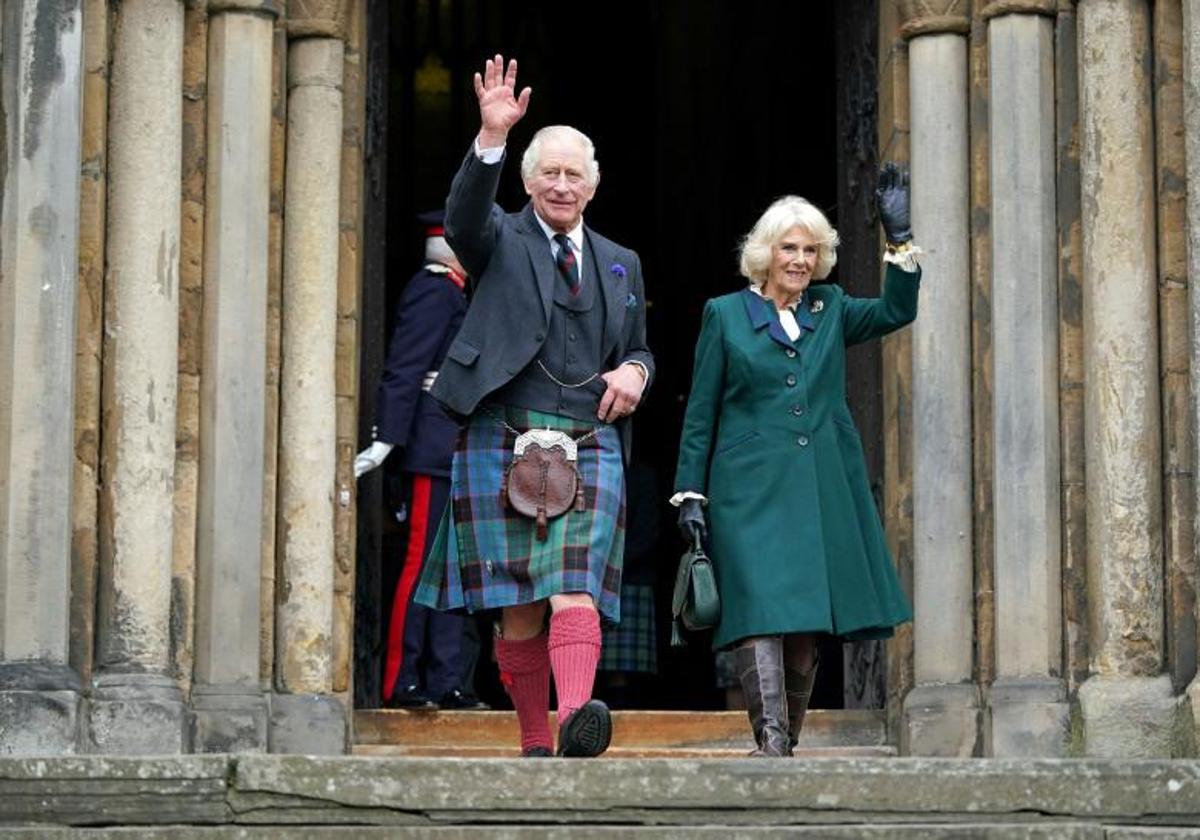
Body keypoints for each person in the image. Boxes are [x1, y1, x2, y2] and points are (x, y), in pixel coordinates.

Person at [413, 55, 654, 758]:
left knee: (574, 585)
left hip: (591, 437)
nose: (561, 183)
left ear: (593, 185)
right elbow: (462, 215)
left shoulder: (621, 261)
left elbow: (640, 346)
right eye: (548, 171)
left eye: (573, 173)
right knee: (519, 608)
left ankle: (576, 717)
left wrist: (638, 371)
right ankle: (533, 739)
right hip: (504, 430)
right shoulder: (499, 238)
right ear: (527, 181)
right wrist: (491, 135)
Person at [672, 165, 920, 757]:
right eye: (790, 247)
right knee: (758, 611)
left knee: (805, 622)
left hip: (817, 489)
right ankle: (771, 743)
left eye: (811, 250)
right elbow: (702, 410)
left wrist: (901, 239)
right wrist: (690, 493)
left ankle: (787, 746)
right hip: (747, 493)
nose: (801, 260)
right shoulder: (725, 314)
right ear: (766, 252)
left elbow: (895, 312)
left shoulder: (830, 308)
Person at [354, 211, 485, 711]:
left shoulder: (457, 293)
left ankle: (445, 678)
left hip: (454, 449)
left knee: (453, 571)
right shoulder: (435, 291)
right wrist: (387, 440)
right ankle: (401, 679)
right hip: (432, 449)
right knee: (420, 566)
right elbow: (406, 368)